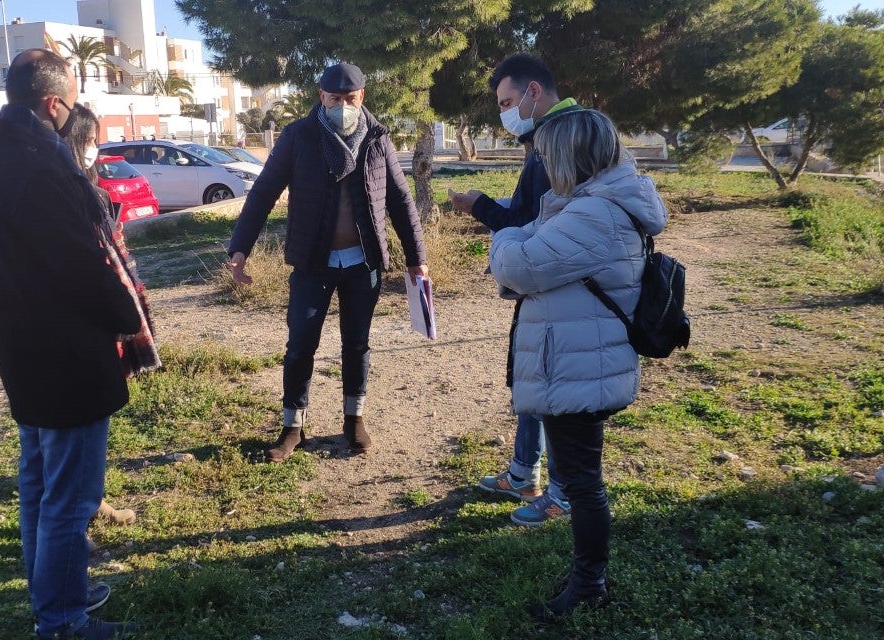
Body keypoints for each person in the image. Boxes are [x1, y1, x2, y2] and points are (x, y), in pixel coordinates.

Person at [0, 48, 140, 640]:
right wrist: (125, 314)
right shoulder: (40, 166)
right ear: (51, 102)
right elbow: (80, 265)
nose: (74, 111)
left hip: (25, 348)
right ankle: (61, 619)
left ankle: (56, 591)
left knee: (40, 487)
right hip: (65, 356)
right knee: (70, 497)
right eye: (72, 97)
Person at [488, 108, 667, 619]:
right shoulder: (594, 203)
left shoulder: (596, 214)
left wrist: (502, 237)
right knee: (580, 476)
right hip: (579, 357)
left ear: (571, 156)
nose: (543, 166)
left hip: (578, 366)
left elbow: (519, 266)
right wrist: (525, 234)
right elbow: (538, 248)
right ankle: (588, 577)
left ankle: (589, 584)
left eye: (546, 156)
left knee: (582, 483)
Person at [227, 62, 429, 462]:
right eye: (334, 98)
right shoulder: (298, 137)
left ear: (362, 97)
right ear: (321, 97)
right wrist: (240, 248)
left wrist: (416, 258)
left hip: (362, 262)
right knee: (300, 344)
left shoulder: (377, 138)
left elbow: (401, 199)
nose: (342, 105)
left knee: (357, 344)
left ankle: (354, 419)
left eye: (350, 98)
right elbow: (264, 191)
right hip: (312, 262)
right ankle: (293, 427)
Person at [451, 53, 586, 526]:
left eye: (508, 101)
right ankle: (523, 473)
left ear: (533, 92)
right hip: (546, 283)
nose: (504, 112)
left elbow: (532, 223)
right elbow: (535, 210)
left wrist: (479, 206)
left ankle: (564, 493)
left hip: (561, 285)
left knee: (553, 386)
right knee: (533, 379)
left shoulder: (562, 140)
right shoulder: (547, 136)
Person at [64, 102, 159, 529]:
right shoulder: (71, 193)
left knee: (94, 419)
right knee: (83, 421)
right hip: (91, 321)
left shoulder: (93, 189)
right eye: (88, 140)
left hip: (100, 317)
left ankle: (90, 497)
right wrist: (124, 313)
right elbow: (94, 266)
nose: (94, 148)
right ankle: (83, 505)